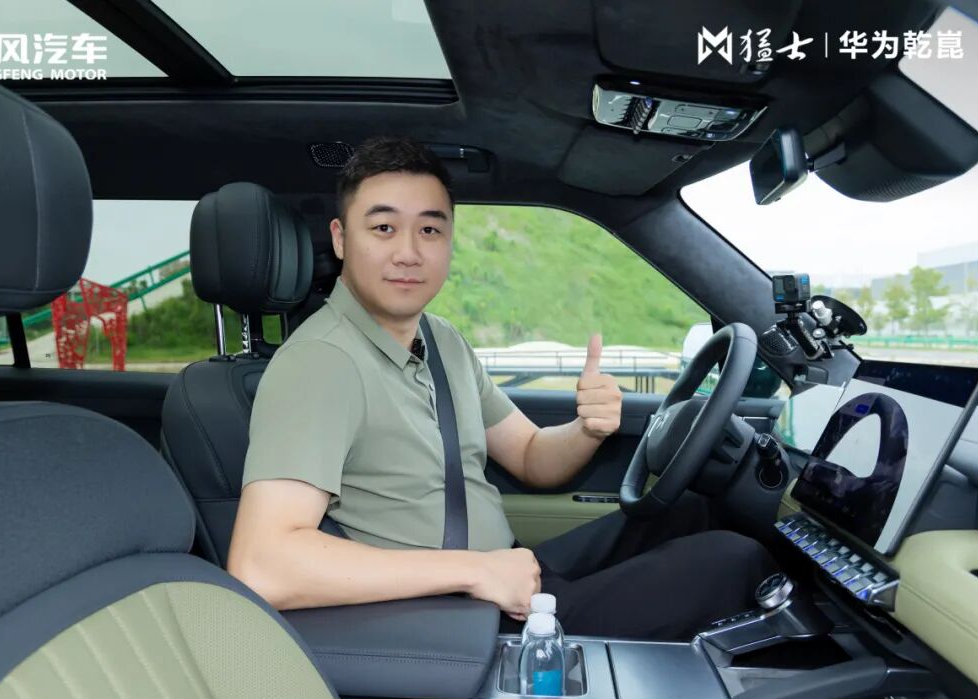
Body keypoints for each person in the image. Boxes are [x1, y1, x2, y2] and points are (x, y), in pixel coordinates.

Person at [228, 136, 774, 639]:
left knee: (692, 512)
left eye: (430, 230)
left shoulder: (441, 340)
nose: (409, 252)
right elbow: (262, 565)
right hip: (454, 616)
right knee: (734, 562)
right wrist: (475, 571)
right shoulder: (321, 363)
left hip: (504, 572)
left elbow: (532, 456)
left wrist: (586, 428)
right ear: (341, 239)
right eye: (384, 228)